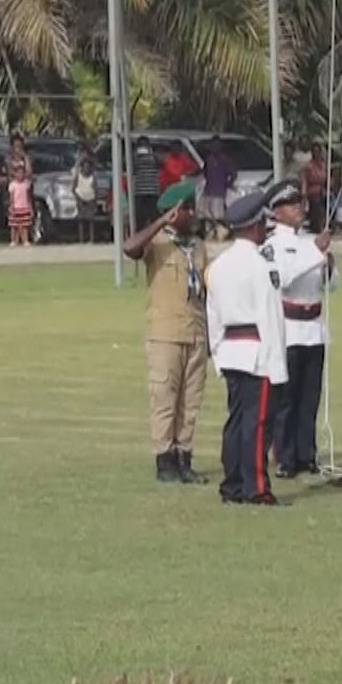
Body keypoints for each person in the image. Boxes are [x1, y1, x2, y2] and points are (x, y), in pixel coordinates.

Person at [124, 181, 210, 484]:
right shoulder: (158, 243)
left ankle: (184, 457)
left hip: (196, 332)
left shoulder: (198, 247)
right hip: (165, 333)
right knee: (165, 399)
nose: (194, 213)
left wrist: (211, 338)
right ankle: (164, 460)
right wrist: (161, 222)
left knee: (190, 402)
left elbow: (206, 291)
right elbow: (129, 247)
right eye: (188, 209)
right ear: (175, 212)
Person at [205, 191, 286, 505]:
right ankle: (256, 487)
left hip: (230, 350)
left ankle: (233, 483)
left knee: (236, 420)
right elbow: (270, 317)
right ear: (254, 227)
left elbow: (212, 315)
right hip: (257, 351)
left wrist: (218, 353)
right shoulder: (261, 266)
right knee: (258, 423)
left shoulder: (218, 265)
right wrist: (277, 367)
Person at [263, 180, 337, 477]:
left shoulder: (309, 242)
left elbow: (331, 284)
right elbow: (284, 278)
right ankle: (284, 456)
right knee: (287, 399)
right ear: (277, 211)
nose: (298, 209)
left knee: (309, 398)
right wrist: (315, 253)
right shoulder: (272, 246)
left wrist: (328, 264)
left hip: (313, 327)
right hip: (289, 327)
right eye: (291, 204)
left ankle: (307, 454)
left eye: (300, 203)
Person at [198, 138, 233, 235]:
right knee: (204, 215)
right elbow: (205, 172)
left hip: (219, 192)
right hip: (208, 191)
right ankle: (208, 233)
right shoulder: (208, 159)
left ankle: (222, 233)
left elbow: (233, 174)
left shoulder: (225, 159)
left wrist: (226, 185)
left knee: (218, 216)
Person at [301, 143, 331, 233]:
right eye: (315, 152)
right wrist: (304, 194)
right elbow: (305, 180)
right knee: (316, 203)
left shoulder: (322, 165)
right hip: (312, 191)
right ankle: (316, 226)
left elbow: (326, 179)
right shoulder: (308, 166)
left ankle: (325, 223)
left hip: (322, 190)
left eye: (318, 151)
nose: (317, 153)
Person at [7, 158, 35, 247]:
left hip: (24, 207)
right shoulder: (12, 185)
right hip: (16, 207)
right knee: (14, 225)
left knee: (24, 225)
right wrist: (11, 207)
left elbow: (28, 197)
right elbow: (11, 197)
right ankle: (13, 240)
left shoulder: (26, 184)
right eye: (18, 173)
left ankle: (25, 240)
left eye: (22, 173)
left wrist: (30, 208)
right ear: (15, 174)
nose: (20, 175)